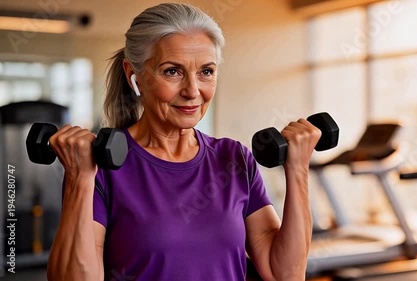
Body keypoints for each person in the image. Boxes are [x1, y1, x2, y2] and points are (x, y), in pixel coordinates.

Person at [46, 3, 321, 281]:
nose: (192, 91)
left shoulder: (234, 158)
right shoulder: (102, 167)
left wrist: (297, 169)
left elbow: (284, 274)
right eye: (172, 71)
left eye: (206, 71)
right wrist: (79, 178)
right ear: (135, 76)